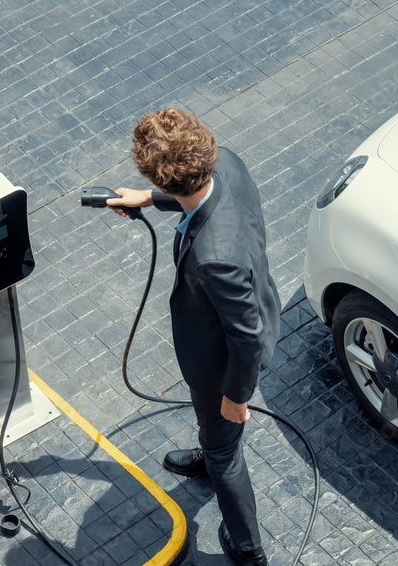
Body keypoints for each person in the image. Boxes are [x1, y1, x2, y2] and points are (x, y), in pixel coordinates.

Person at [106, 108, 279, 566]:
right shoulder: (228, 163)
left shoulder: (214, 258)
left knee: (226, 452)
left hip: (223, 366)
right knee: (215, 434)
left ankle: (247, 548)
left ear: (165, 179)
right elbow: (204, 197)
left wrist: (236, 398)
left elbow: (245, 337)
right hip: (254, 303)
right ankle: (211, 445)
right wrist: (149, 198)